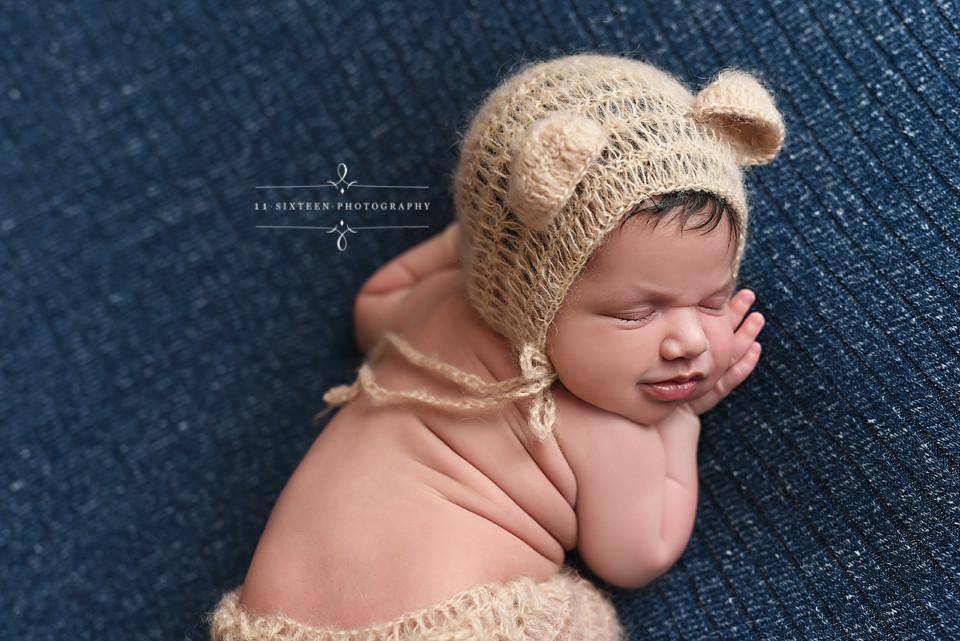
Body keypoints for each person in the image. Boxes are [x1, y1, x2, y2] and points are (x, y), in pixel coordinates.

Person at [207, 51, 786, 641]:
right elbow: (639, 555)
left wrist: (487, 239)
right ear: (538, 296)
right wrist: (680, 419)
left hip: (269, 625)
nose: (687, 341)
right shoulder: (609, 425)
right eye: (635, 314)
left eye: (714, 301)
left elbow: (371, 304)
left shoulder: (428, 306)